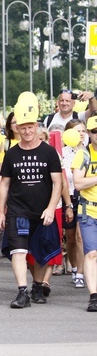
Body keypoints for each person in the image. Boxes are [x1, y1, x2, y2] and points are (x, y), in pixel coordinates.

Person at [0, 103, 62, 308]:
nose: (26, 131)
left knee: (41, 251)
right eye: (22, 127)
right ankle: (22, 292)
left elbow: (58, 183)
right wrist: (1, 211)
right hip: (18, 211)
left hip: (42, 211)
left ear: (36, 127)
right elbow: (4, 184)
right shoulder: (12, 154)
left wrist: (51, 208)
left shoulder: (49, 153)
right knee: (19, 251)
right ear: (17, 128)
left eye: (30, 127)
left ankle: (37, 285)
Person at [72, 116, 97, 311]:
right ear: (88, 133)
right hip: (88, 210)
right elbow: (78, 183)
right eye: (94, 131)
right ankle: (93, 296)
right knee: (92, 254)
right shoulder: (83, 155)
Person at [62, 119, 85, 288]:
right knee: (70, 238)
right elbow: (63, 180)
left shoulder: (88, 152)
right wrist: (68, 204)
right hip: (69, 197)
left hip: (86, 197)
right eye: (77, 131)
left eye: (83, 130)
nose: (81, 134)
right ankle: (74, 265)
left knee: (80, 237)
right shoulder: (62, 153)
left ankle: (81, 273)